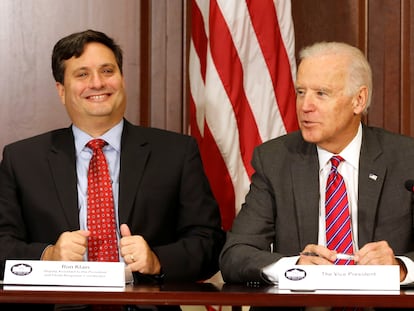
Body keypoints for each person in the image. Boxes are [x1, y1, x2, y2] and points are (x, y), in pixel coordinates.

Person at [0, 29, 225, 310]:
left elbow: (209, 242)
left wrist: (156, 260)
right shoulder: (22, 159)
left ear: (121, 79)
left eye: (107, 70)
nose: (97, 83)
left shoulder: (176, 153)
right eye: (82, 74)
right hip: (58, 305)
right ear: (61, 90)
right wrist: (48, 255)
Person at [219, 41, 414, 310]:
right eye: (301, 92)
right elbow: (235, 255)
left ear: (359, 99)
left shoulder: (406, 159)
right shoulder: (275, 160)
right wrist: (294, 267)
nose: (305, 106)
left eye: (321, 93)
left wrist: (400, 268)